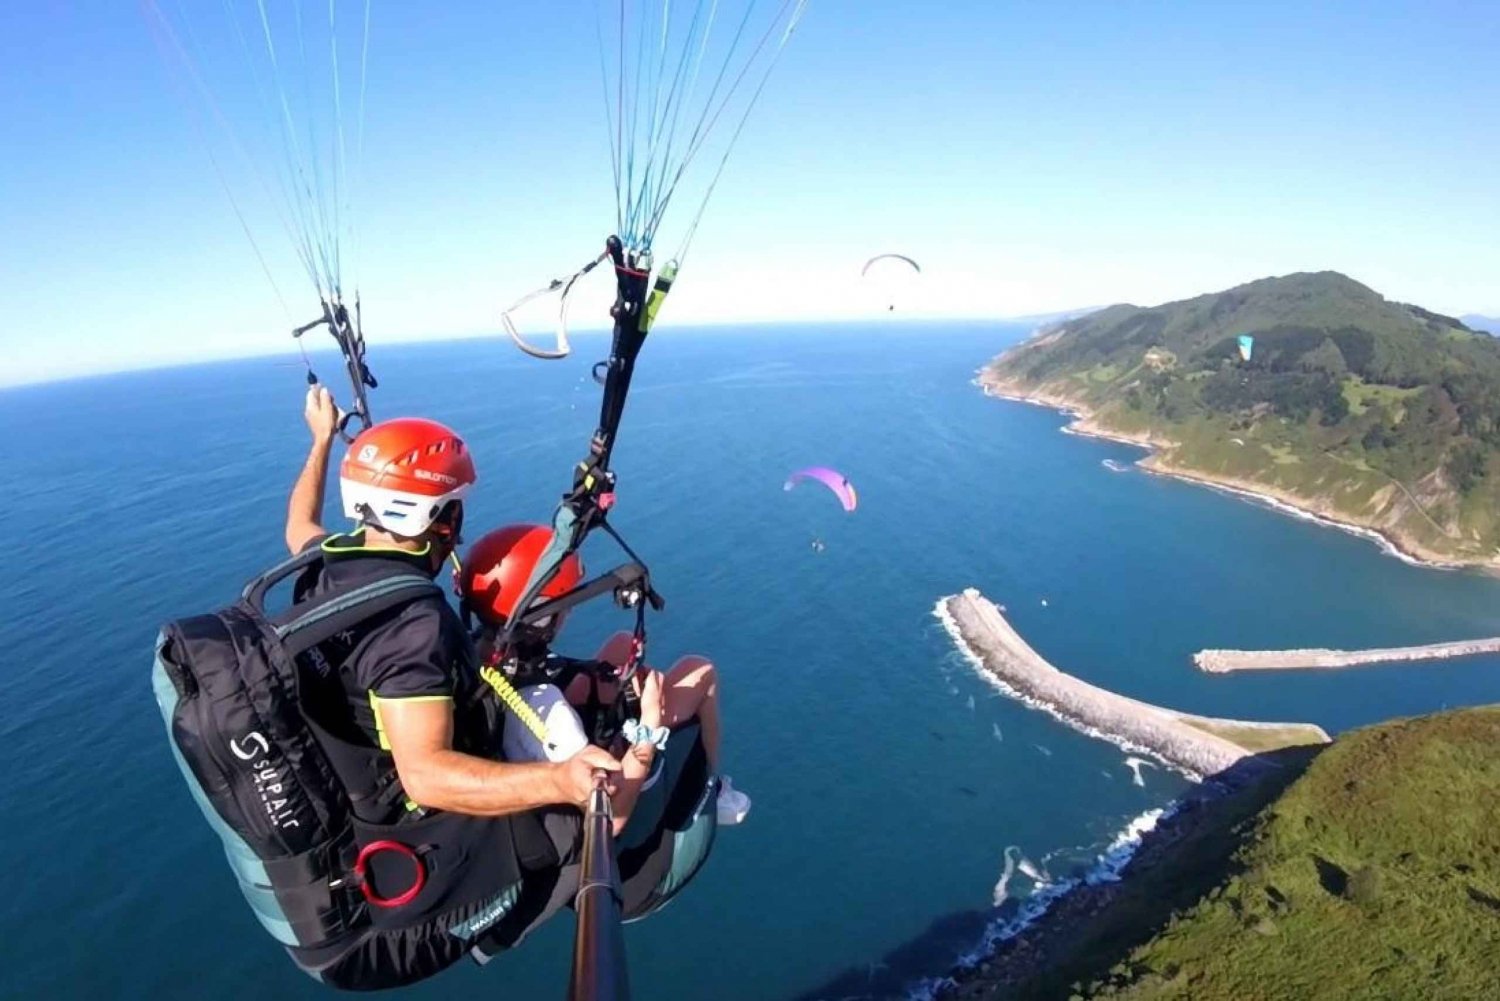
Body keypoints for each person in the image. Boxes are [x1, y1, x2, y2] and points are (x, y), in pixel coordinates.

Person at [459, 523, 751, 826]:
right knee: (700, 669)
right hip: (615, 802)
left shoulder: (479, 652)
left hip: (520, 740)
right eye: (563, 605)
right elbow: (611, 821)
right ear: (542, 617)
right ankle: (709, 789)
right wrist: (650, 722)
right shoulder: (552, 718)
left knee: (622, 645)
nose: (568, 611)